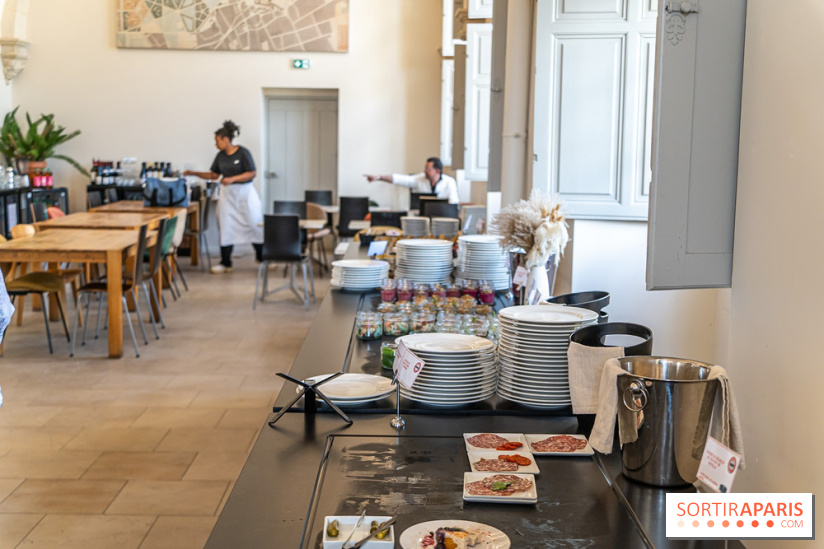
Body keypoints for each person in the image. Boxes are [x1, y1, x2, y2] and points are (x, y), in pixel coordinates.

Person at [184, 121, 264, 274]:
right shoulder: (220, 156)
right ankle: (226, 262)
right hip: (227, 196)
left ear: (225, 139)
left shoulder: (243, 153)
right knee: (226, 226)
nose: (216, 144)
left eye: (217, 141)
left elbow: (252, 173)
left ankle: (262, 257)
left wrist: (232, 179)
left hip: (245, 195)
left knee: (253, 224)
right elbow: (214, 175)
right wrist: (193, 173)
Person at [364, 157, 459, 204]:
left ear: (437, 171)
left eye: (428, 169)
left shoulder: (449, 182)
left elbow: (453, 203)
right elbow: (399, 179)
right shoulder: (420, 179)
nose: (424, 171)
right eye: (425, 168)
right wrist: (379, 177)